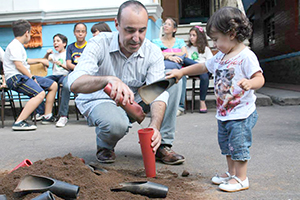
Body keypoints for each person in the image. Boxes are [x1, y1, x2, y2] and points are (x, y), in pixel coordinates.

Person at [68, 0, 185, 165]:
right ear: (117, 24)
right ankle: (105, 146)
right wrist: (108, 80)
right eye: (129, 30)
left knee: (171, 83)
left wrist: (154, 126)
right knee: (116, 124)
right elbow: (74, 83)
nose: (136, 38)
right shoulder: (99, 43)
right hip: (101, 100)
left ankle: (160, 144)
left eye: (142, 30)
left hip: (134, 100)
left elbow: (158, 93)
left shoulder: (152, 51)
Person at [166, 7, 265, 192]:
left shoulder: (246, 56)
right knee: (227, 145)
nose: (215, 44)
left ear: (232, 34)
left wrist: (251, 84)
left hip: (241, 113)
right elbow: (203, 67)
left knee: (239, 144)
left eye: (216, 39)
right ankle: (231, 173)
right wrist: (181, 72)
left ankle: (242, 178)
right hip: (225, 113)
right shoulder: (220, 56)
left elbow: (260, 78)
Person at [3, 19, 58, 130]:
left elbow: (25, 61)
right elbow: (19, 66)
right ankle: (19, 122)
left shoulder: (18, 46)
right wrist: (31, 77)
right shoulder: (14, 46)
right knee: (40, 94)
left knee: (53, 85)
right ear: (27, 33)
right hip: (16, 78)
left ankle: (46, 116)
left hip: (21, 76)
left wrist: (40, 60)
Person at [55, 23, 87, 127]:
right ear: (74, 33)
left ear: (86, 33)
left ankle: (88, 113)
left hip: (86, 74)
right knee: (65, 85)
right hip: (73, 73)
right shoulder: (70, 47)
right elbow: (68, 64)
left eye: (82, 31)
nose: (80, 34)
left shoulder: (89, 46)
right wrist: (79, 68)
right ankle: (63, 116)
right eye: (78, 31)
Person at [178, 26, 213, 114]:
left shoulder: (206, 49)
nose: (191, 37)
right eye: (190, 35)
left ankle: (202, 102)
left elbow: (211, 62)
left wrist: (203, 67)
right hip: (192, 70)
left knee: (204, 73)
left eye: (194, 35)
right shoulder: (187, 48)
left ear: (200, 37)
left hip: (204, 71)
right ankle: (200, 66)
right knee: (184, 59)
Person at [43, 33, 70, 127]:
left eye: (58, 41)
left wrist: (62, 65)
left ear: (64, 43)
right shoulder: (53, 55)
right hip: (55, 76)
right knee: (41, 82)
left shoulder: (67, 53)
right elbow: (44, 61)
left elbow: (70, 68)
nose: (55, 43)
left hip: (64, 75)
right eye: (54, 41)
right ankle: (43, 113)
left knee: (63, 86)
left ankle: (62, 114)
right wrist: (47, 53)